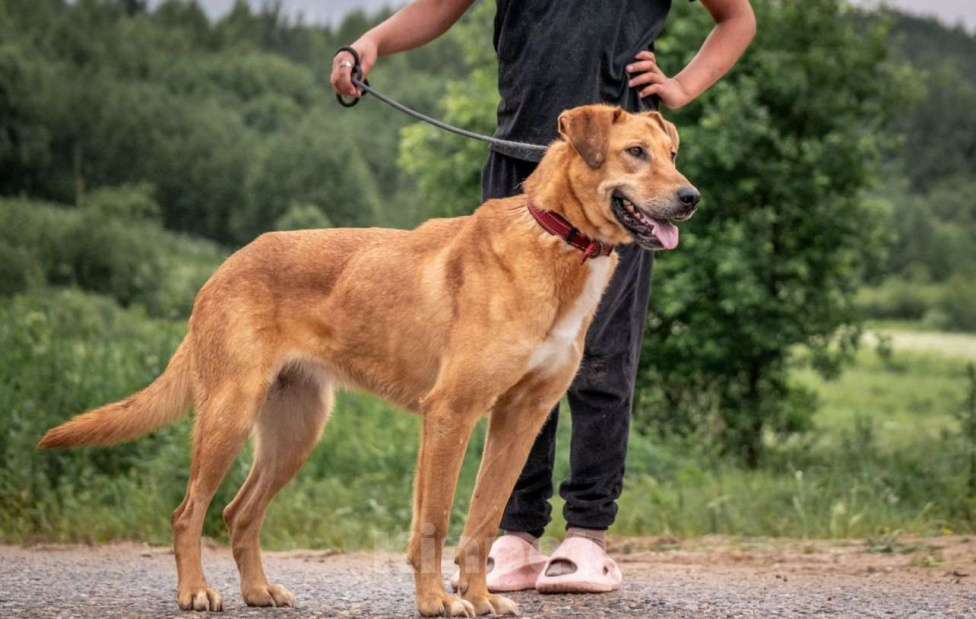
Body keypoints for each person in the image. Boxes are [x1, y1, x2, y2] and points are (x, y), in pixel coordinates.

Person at [331, 0, 755, 594]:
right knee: (507, 368)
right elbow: (437, 6)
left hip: (616, 180)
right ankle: (515, 536)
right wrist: (370, 44)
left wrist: (681, 85)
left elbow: (738, 17)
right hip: (520, 162)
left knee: (601, 360)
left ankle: (586, 534)